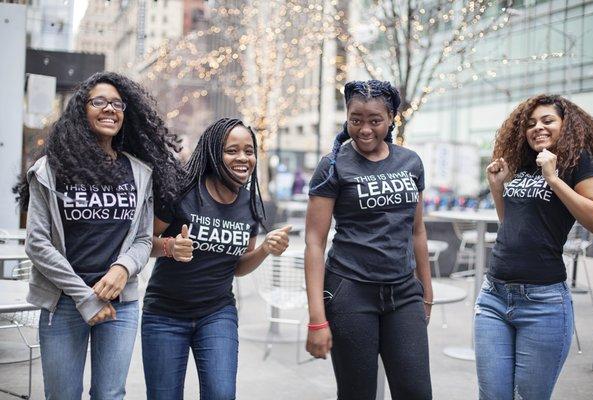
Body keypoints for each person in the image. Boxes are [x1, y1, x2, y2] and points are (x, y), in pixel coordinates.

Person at [15, 71, 183, 399]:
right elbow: (36, 242)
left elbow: (143, 238)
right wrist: (84, 296)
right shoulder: (50, 169)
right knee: (62, 395)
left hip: (120, 305)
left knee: (110, 395)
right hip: (63, 302)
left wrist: (122, 270)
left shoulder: (139, 172)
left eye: (118, 104)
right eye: (99, 102)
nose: (110, 109)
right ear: (82, 110)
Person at [142, 117, 292, 400]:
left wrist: (264, 250)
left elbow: (238, 267)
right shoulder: (182, 192)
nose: (243, 158)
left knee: (221, 394)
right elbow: (142, 242)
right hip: (164, 314)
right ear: (213, 152)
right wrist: (170, 247)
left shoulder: (251, 204)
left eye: (249, 151)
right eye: (232, 150)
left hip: (216, 313)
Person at [304, 80, 433, 400]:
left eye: (375, 120)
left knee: (416, 392)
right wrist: (317, 318)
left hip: (403, 293)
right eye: (355, 119)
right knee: (357, 394)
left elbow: (417, 231)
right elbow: (314, 242)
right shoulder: (333, 165)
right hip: (350, 291)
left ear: (391, 119)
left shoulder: (411, 162)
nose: (364, 129)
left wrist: (426, 292)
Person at [475, 94, 593, 400]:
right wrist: (497, 188)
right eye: (530, 123)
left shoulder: (577, 162)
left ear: (565, 125)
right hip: (494, 295)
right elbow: (512, 225)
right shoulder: (524, 162)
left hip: (543, 303)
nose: (537, 128)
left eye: (547, 121)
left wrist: (555, 179)